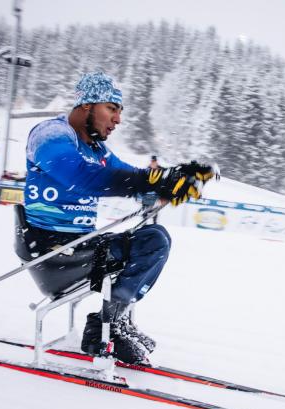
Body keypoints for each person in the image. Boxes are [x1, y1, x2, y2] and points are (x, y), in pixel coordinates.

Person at [20, 72, 214, 364]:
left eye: (120, 111)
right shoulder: (50, 135)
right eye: (112, 109)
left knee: (154, 239)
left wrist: (173, 182)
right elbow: (83, 177)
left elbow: (132, 180)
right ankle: (105, 329)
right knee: (153, 243)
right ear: (87, 105)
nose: (118, 120)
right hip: (51, 252)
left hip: (80, 245)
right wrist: (154, 181)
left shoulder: (96, 149)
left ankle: (113, 322)